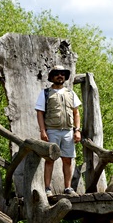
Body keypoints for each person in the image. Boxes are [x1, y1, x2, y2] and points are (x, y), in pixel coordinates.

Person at [35, 65, 82, 196]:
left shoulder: (71, 93)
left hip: (68, 131)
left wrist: (77, 130)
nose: (59, 76)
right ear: (52, 77)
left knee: (68, 159)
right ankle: (47, 189)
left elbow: (76, 113)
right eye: (56, 74)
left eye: (62, 73)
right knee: (50, 159)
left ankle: (68, 188)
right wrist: (43, 131)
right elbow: (40, 113)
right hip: (52, 131)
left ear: (65, 77)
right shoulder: (45, 93)